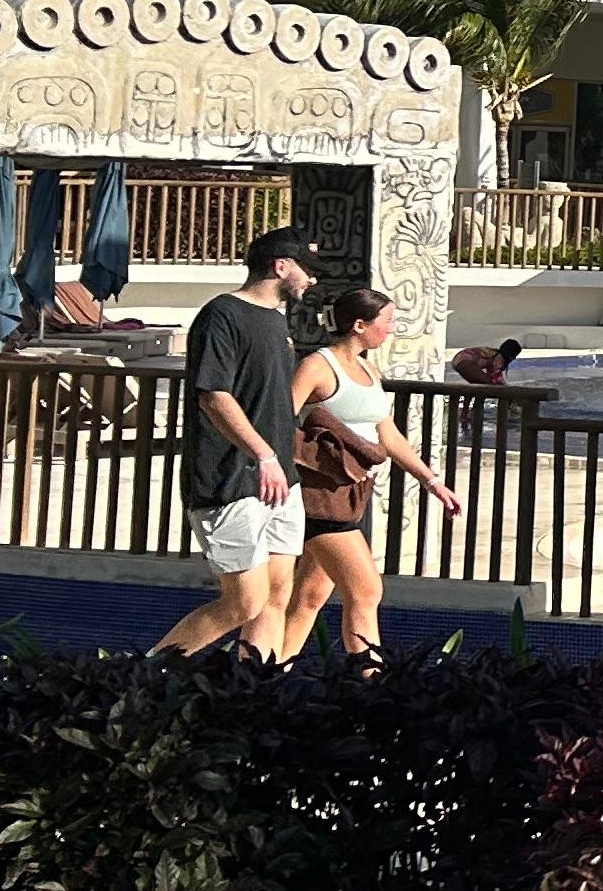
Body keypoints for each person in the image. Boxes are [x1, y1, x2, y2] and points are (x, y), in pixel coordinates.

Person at [155, 225, 317, 657]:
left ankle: (254, 690)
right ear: (281, 266)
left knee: (277, 595)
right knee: (244, 600)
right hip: (229, 477)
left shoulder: (277, 320)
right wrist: (261, 453)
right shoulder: (222, 315)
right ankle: (145, 678)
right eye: (306, 268)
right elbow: (213, 395)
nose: (311, 278)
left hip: (279, 478)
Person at [281, 283, 458, 667]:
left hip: (351, 494)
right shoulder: (317, 366)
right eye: (388, 321)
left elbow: (386, 433)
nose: (392, 328)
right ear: (360, 325)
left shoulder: (367, 368)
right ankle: (371, 687)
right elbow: (280, 422)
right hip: (320, 497)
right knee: (365, 591)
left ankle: (267, 676)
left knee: (310, 597)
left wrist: (432, 481)